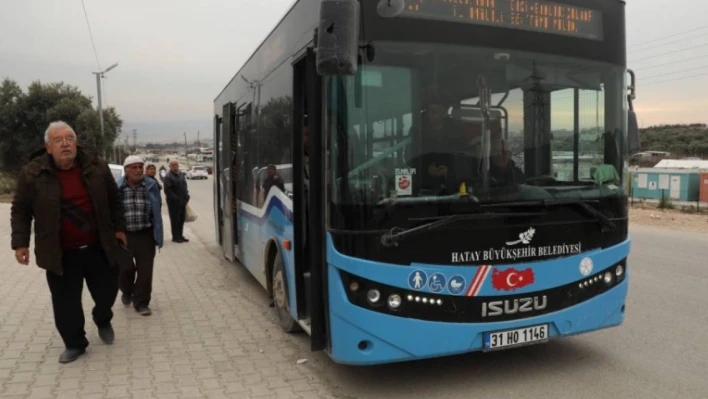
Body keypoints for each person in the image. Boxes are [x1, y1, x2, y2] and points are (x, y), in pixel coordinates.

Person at [10, 121, 127, 364]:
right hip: (60, 252)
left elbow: (115, 200)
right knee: (66, 303)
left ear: (76, 142)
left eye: (69, 139)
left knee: (108, 291)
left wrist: (119, 228)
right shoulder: (32, 173)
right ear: (48, 147)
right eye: (58, 140)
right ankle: (75, 343)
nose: (65, 144)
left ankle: (102, 317)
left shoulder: (96, 166)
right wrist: (20, 243)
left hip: (99, 247)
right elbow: (20, 210)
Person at [116, 156, 163, 316]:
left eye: (139, 167)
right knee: (125, 270)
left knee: (145, 271)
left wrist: (158, 232)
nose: (137, 170)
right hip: (124, 236)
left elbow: (157, 208)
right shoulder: (117, 187)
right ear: (126, 170)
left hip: (145, 234)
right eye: (133, 167)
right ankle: (127, 291)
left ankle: (141, 302)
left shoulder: (151, 185)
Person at [163, 159, 190, 243]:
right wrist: (177, 199)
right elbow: (168, 191)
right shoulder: (168, 177)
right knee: (175, 220)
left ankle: (180, 235)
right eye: (173, 165)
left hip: (183, 201)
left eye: (176, 165)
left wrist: (187, 196)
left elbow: (185, 186)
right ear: (170, 166)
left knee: (181, 219)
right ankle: (175, 237)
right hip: (174, 203)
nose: (175, 167)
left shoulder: (181, 174)